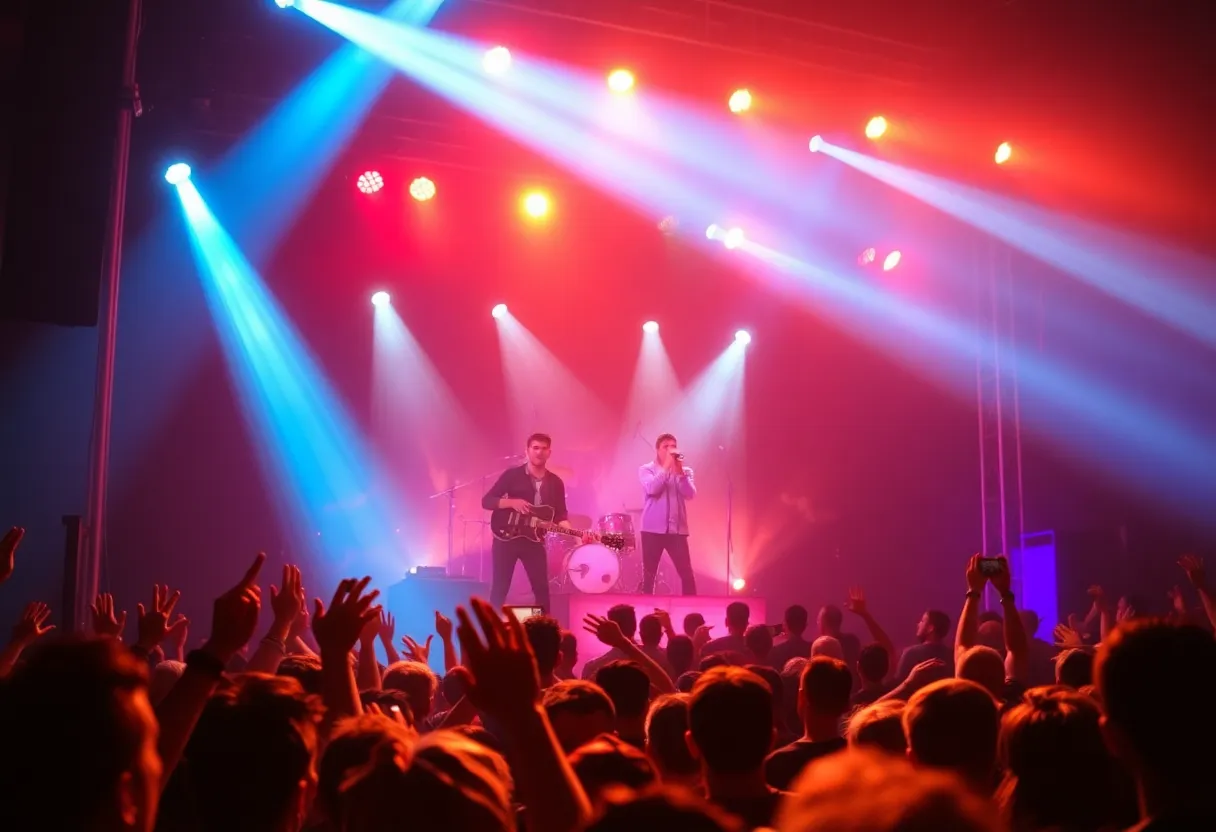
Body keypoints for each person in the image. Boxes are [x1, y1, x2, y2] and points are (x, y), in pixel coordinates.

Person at [482, 433, 577, 612]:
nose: (539, 452)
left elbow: (560, 515)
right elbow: (487, 501)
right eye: (535, 448)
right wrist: (511, 503)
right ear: (527, 451)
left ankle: (545, 630)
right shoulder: (512, 475)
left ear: (549, 453)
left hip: (534, 540)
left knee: (541, 589)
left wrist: (576, 535)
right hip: (506, 538)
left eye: (543, 449)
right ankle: (490, 629)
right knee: (500, 588)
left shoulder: (555, 483)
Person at [638, 433, 698, 595]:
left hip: (677, 531)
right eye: (666, 446)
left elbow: (689, 494)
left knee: (686, 573)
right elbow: (652, 488)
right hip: (652, 530)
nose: (671, 450)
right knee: (649, 574)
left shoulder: (685, 471)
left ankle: (692, 609)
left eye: (673, 446)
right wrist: (665, 468)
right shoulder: (646, 469)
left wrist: (679, 472)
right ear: (657, 450)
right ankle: (646, 608)